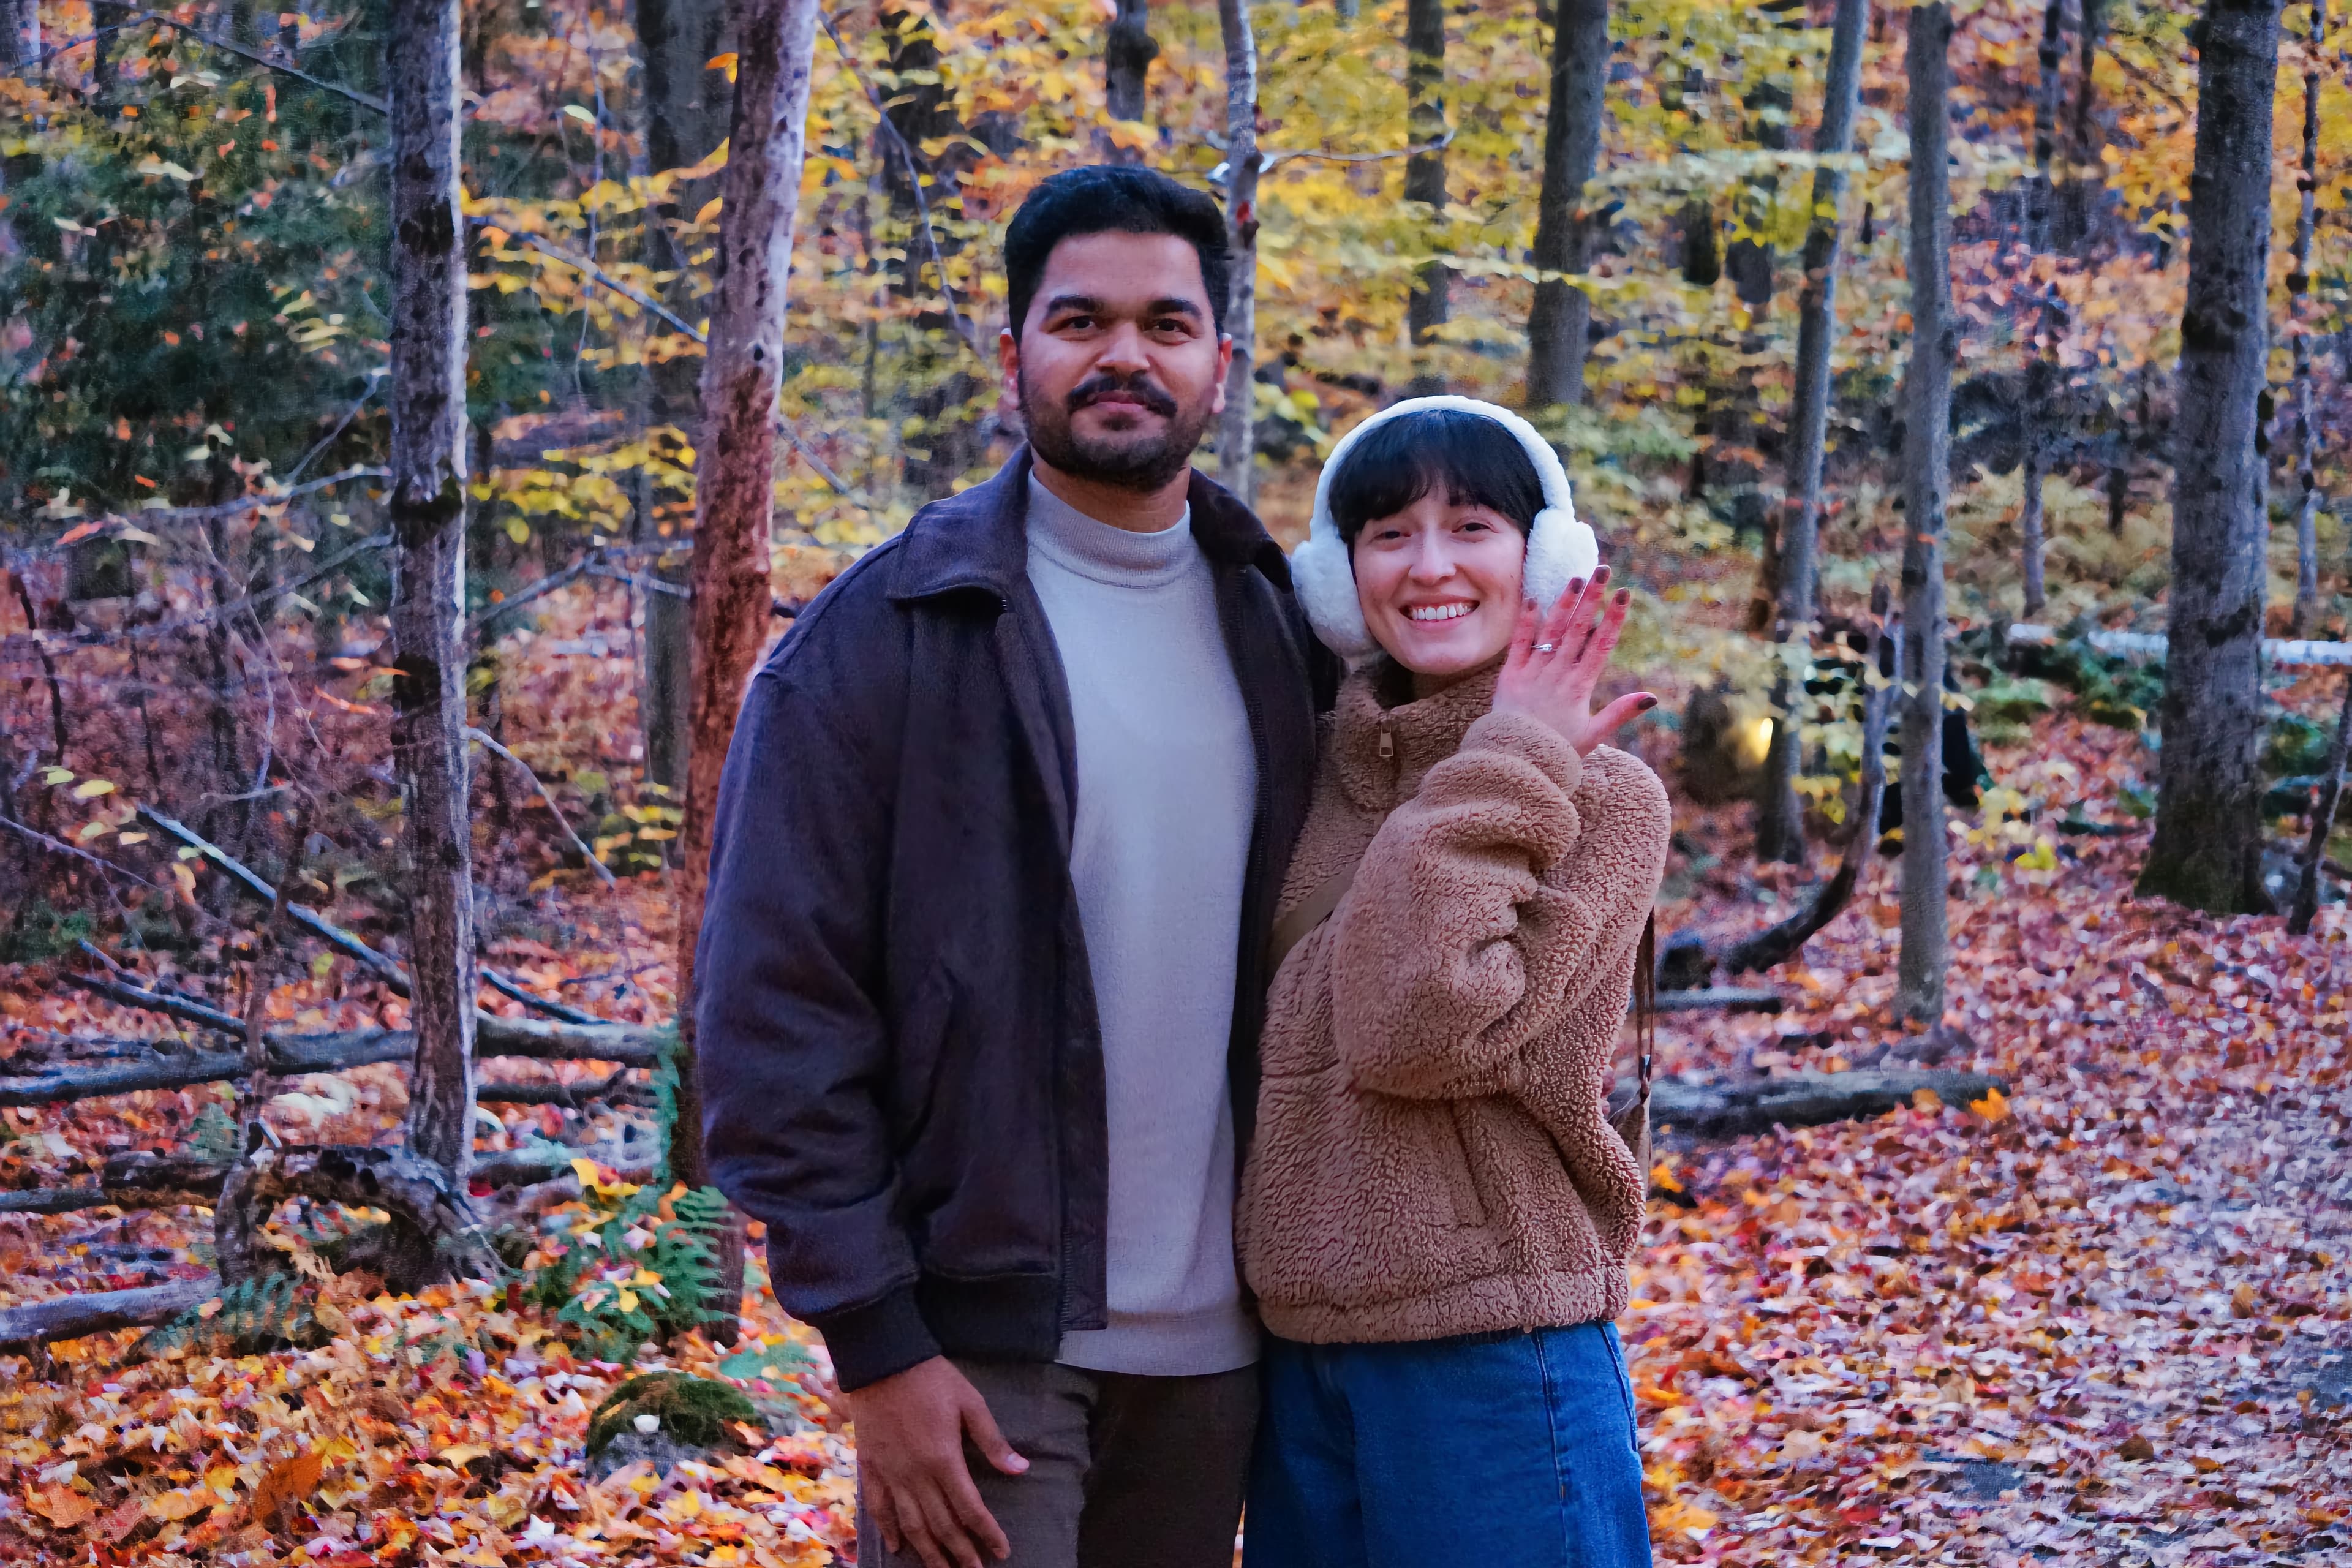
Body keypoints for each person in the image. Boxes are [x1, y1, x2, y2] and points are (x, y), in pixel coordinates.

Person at [694, 164, 1333, 1568]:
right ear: (1014, 354)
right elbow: (769, 1024)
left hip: (1227, 1354)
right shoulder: (881, 643)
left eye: (1166, 324)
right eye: (1079, 319)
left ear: (1219, 362)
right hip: (982, 1356)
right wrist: (876, 1347)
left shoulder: (1284, 631)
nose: (1123, 355)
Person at [1237, 397, 1670, 1568]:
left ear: (1541, 560)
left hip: (1494, 1353)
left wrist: (1515, 753)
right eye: (1388, 533)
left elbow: (1418, 1028)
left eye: (1471, 525)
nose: (1429, 565)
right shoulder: (1307, 779)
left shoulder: (1604, 797)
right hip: (1298, 1353)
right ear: (1341, 577)